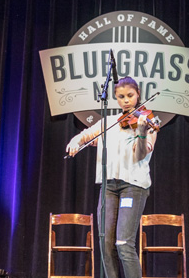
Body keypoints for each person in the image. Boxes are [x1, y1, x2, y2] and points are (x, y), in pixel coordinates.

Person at [66, 76, 158, 278]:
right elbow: (84, 135)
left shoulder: (148, 122)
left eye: (130, 96)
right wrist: (75, 141)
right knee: (106, 243)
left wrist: (141, 132)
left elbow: (140, 154)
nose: (126, 101)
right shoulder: (108, 122)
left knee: (124, 243)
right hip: (108, 186)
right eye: (121, 97)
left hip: (133, 187)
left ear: (138, 95)